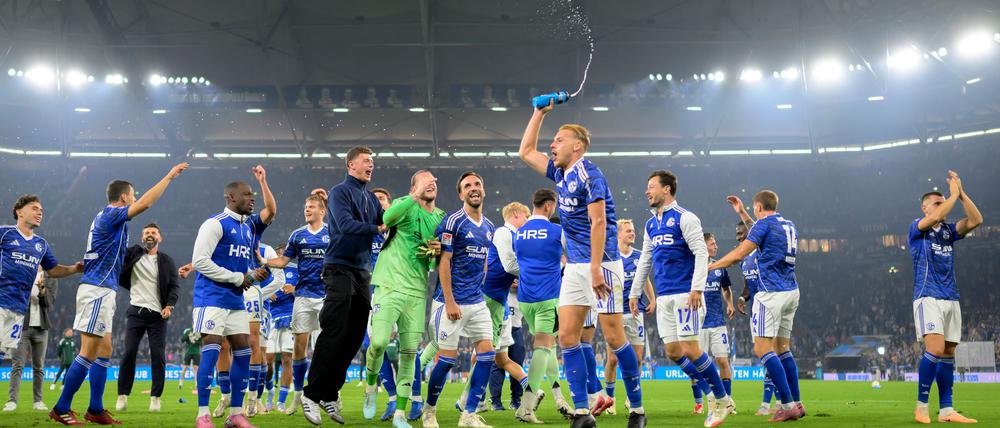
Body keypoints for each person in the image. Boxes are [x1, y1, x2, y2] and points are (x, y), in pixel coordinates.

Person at [519, 100, 645, 428]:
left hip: (601, 263)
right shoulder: (560, 173)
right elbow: (525, 152)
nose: (552, 144)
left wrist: (594, 267)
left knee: (615, 339)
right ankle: (581, 412)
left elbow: (599, 223)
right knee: (568, 338)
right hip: (576, 267)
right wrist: (540, 113)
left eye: (558, 140)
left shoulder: (592, 175)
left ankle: (637, 409)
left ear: (577, 146)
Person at [50, 163, 187, 425]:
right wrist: (168, 176)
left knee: (105, 349)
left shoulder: (110, 220)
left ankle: (96, 408)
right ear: (124, 197)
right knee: (89, 351)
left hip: (104, 289)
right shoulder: (112, 214)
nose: (134, 199)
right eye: (132, 195)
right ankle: (61, 407)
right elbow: (145, 204)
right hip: (97, 289)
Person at [629, 170, 734, 428]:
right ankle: (711, 394)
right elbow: (645, 260)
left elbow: (701, 254)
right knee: (673, 352)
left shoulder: (685, 218)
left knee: (690, 349)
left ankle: (722, 401)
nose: (647, 191)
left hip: (686, 295)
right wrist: (635, 292)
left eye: (651, 186)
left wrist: (696, 289)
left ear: (666, 189)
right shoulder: (651, 224)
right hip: (664, 296)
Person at [300, 146, 385, 424]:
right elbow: (347, 225)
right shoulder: (340, 192)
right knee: (335, 330)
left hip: (363, 273)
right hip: (338, 267)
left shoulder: (371, 199)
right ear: (351, 165)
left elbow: (386, 226)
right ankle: (310, 394)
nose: (370, 165)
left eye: (372, 162)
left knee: (354, 337)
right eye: (366, 161)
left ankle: (329, 393)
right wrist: (377, 228)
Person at [708, 190, 805, 422]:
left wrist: (709, 268)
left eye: (752, 209)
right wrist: (741, 212)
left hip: (770, 293)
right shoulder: (787, 224)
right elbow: (759, 229)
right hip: (791, 291)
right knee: (783, 348)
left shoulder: (763, 225)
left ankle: (788, 405)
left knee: (763, 349)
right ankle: (798, 404)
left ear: (759, 207)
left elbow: (737, 255)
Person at [190, 171, 274, 428]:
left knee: (243, 353)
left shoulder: (248, 227)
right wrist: (239, 278)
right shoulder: (214, 224)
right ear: (230, 197)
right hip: (210, 298)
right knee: (211, 352)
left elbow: (271, 210)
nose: (252, 199)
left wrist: (251, 274)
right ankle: (202, 414)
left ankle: (236, 413)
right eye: (247, 194)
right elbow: (200, 262)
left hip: (235, 300)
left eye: (253, 194)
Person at [362, 171, 443, 428]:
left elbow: (434, 262)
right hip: (388, 286)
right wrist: (415, 194)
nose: (431, 183)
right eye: (424, 180)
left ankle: (400, 413)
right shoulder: (402, 204)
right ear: (414, 186)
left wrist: (436, 252)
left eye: (434, 181)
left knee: (409, 354)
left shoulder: (440, 218)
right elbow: (387, 218)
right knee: (378, 342)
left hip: (417, 292)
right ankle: (372, 385)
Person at [422, 172, 496, 428]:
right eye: (467, 186)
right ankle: (429, 411)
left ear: (484, 190)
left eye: (477, 184)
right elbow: (444, 263)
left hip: (477, 302)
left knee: (487, 355)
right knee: (446, 361)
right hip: (449, 302)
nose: (473, 188)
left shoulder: (489, 226)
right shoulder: (453, 221)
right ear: (461, 194)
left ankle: (469, 414)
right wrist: (451, 301)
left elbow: (484, 264)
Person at [907, 171, 982, 424]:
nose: (942, 207)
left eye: (943, 202)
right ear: (924, 207)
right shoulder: (917, 228)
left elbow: (976, 219)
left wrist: (961, 194)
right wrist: (951, 194)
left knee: (949, 353)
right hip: (927, 296)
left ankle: (947, 411)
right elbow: (937, 215)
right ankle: (921, 407)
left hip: (951, 296)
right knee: (935, 349)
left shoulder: (949, 232)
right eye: (936, 203)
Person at [455, 202, 530, 414]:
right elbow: (509, 265)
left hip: (497, 300)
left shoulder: (510, 236)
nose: (526, 223)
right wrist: (533, 276)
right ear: (516, 214)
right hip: (491, 299)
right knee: (489, 354)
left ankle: (472, 399)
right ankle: (469, 400)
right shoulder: (505, 233)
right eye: (526, 217)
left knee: (492, 355)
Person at [263, 194, 329, 421]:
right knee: (299, 348)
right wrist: (263, 261)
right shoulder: (297, 235)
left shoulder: (331, 234)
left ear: (322, 211)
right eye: (305, 207)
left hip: (326, 298)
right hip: (302, 297)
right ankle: (298, 395)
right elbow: (283, 261)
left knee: (324, 348)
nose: (307, 210)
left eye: (311, 207)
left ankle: (328, 394)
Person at [512, 189, 571, 423]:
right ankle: (526, 407)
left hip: (526, 299)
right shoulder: (557, 231)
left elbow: (519, 260)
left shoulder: (519, 233)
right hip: (548, 298)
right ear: (548, 205)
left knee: (547, 348)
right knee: (544, 348)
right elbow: (575, 256)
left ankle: (558, 397)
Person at [115, 223, 181, 413]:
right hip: (136, 312)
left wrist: (169, 305)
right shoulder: (133, 253)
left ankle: (155, 398)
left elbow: (174, 286)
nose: (150, 235)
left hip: (158, 315)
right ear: (142, 238)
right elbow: (119, 253)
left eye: (153, 232)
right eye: (146, 233)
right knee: (129, 353)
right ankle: (122, 395)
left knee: (158, 355)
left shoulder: (166, 261)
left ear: (160, 238)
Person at [602, 219, 655, 415]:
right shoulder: (609, 256)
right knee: (613, 359)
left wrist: (652, 298)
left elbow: (645, 279)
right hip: (614, 313)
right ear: (618, 234)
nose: (632, 234)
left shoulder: (640, 256)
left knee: (638, 358)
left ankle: (631, 397)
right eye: (629, 231)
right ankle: (610, 398)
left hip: (635, 313)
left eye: (633, 230)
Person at [6, 268, 58, 412]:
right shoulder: (22, 272)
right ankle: (12, 401)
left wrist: (41, 290)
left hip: (41, 327)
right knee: (17, 365)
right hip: (21, 326)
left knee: (39, 367)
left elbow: (49, 303)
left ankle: (38, 401)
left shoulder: (50, 277)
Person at [695, 233, 735, 415]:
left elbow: (726, 289)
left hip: (718, 323)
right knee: (698, 365)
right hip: (699, 325)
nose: (716, 246)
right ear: (704, 247)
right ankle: (700, 402)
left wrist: (730, 303)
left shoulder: (720, 268)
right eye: (712, 243)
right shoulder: (693, 267)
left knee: (722, 361)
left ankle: (726, 401)